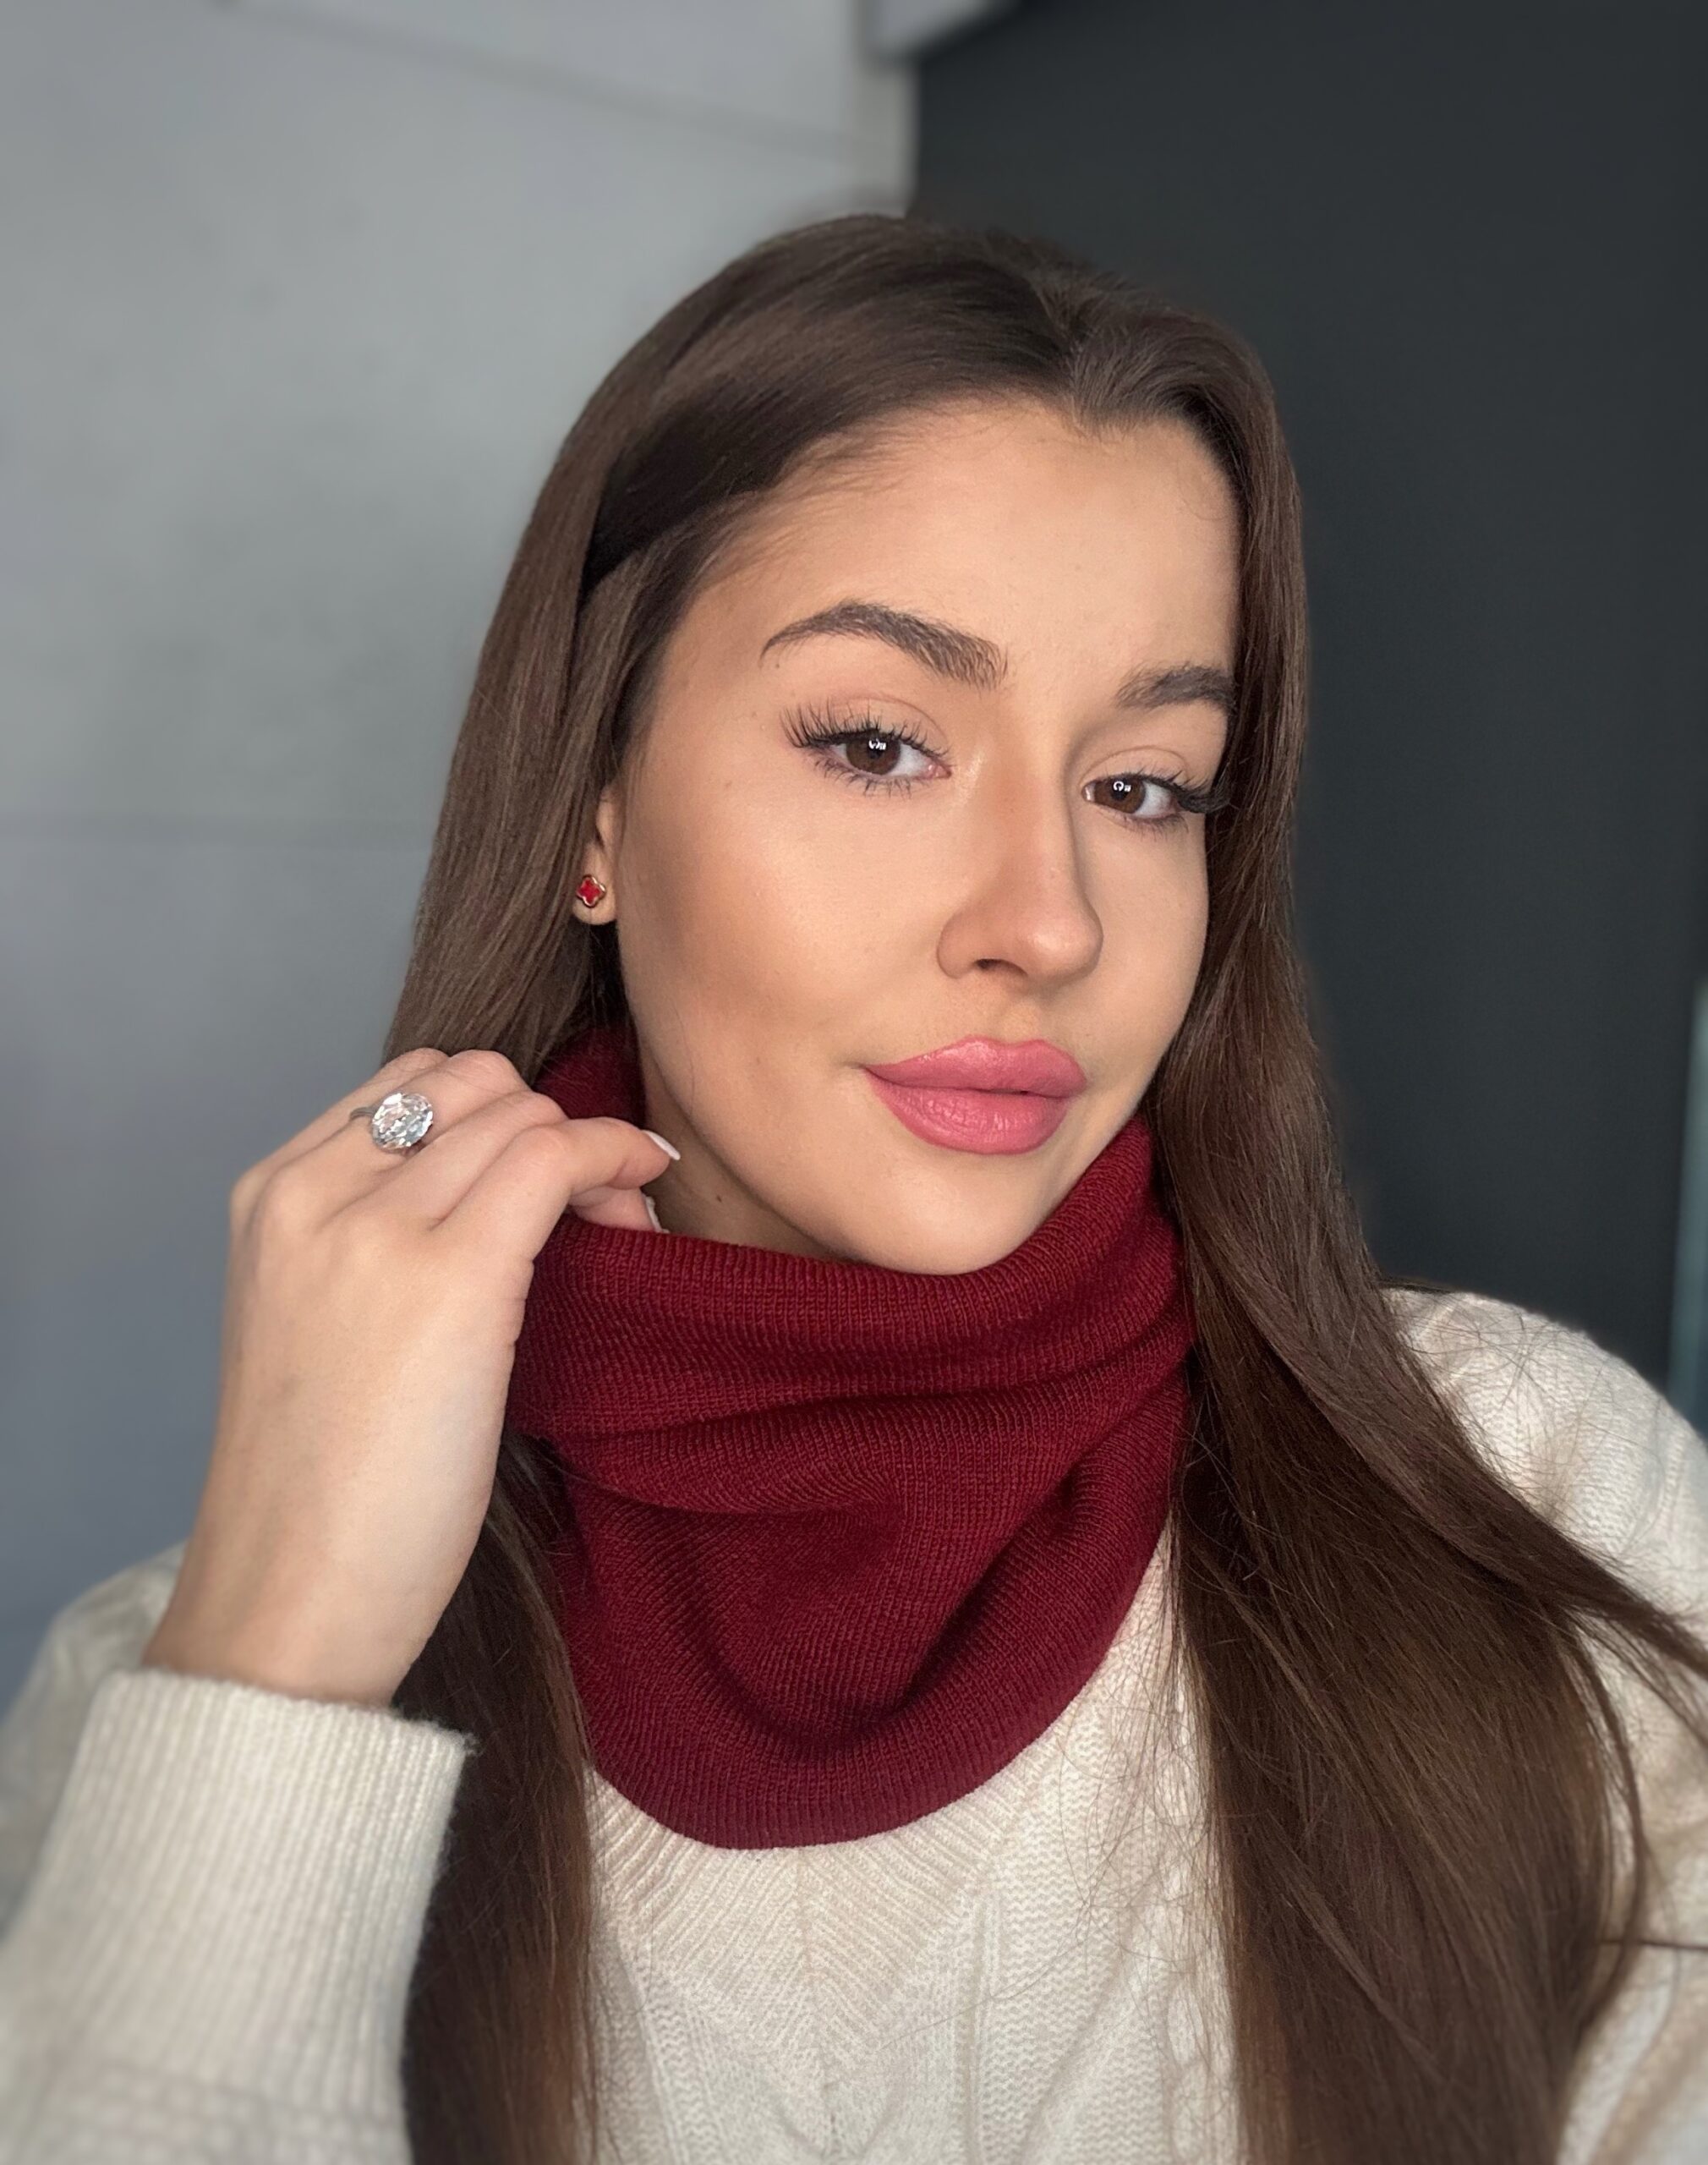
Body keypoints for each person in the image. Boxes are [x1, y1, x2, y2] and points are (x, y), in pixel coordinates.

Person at [1, 212, 1704, 2165]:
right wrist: (277, 1670)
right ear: (591, 810)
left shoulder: (1523, 1502)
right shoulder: (174, 1678)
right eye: (879, 744)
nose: (1047, 923)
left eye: (1142, 784)